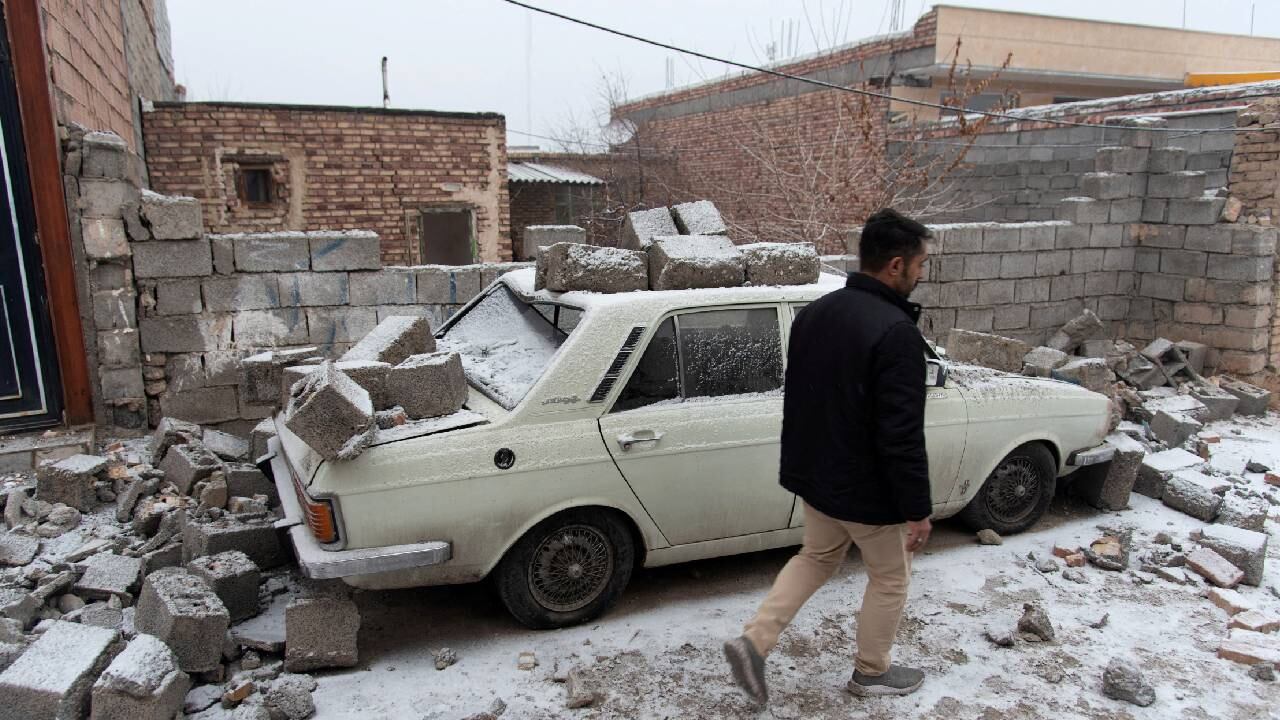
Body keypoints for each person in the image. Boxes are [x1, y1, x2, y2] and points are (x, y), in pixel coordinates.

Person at [723, 207, 934, 703]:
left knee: (816, 556)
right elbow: (901, 433)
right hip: (867, 489)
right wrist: (917, 509)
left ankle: (753, 644)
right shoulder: (896, 333)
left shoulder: (815, 313)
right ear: (897, 265)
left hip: (819, 475)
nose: (922, 274)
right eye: (921, 264)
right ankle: (872, 672)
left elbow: (804, 399)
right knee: (890, 577)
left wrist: (804, 469)